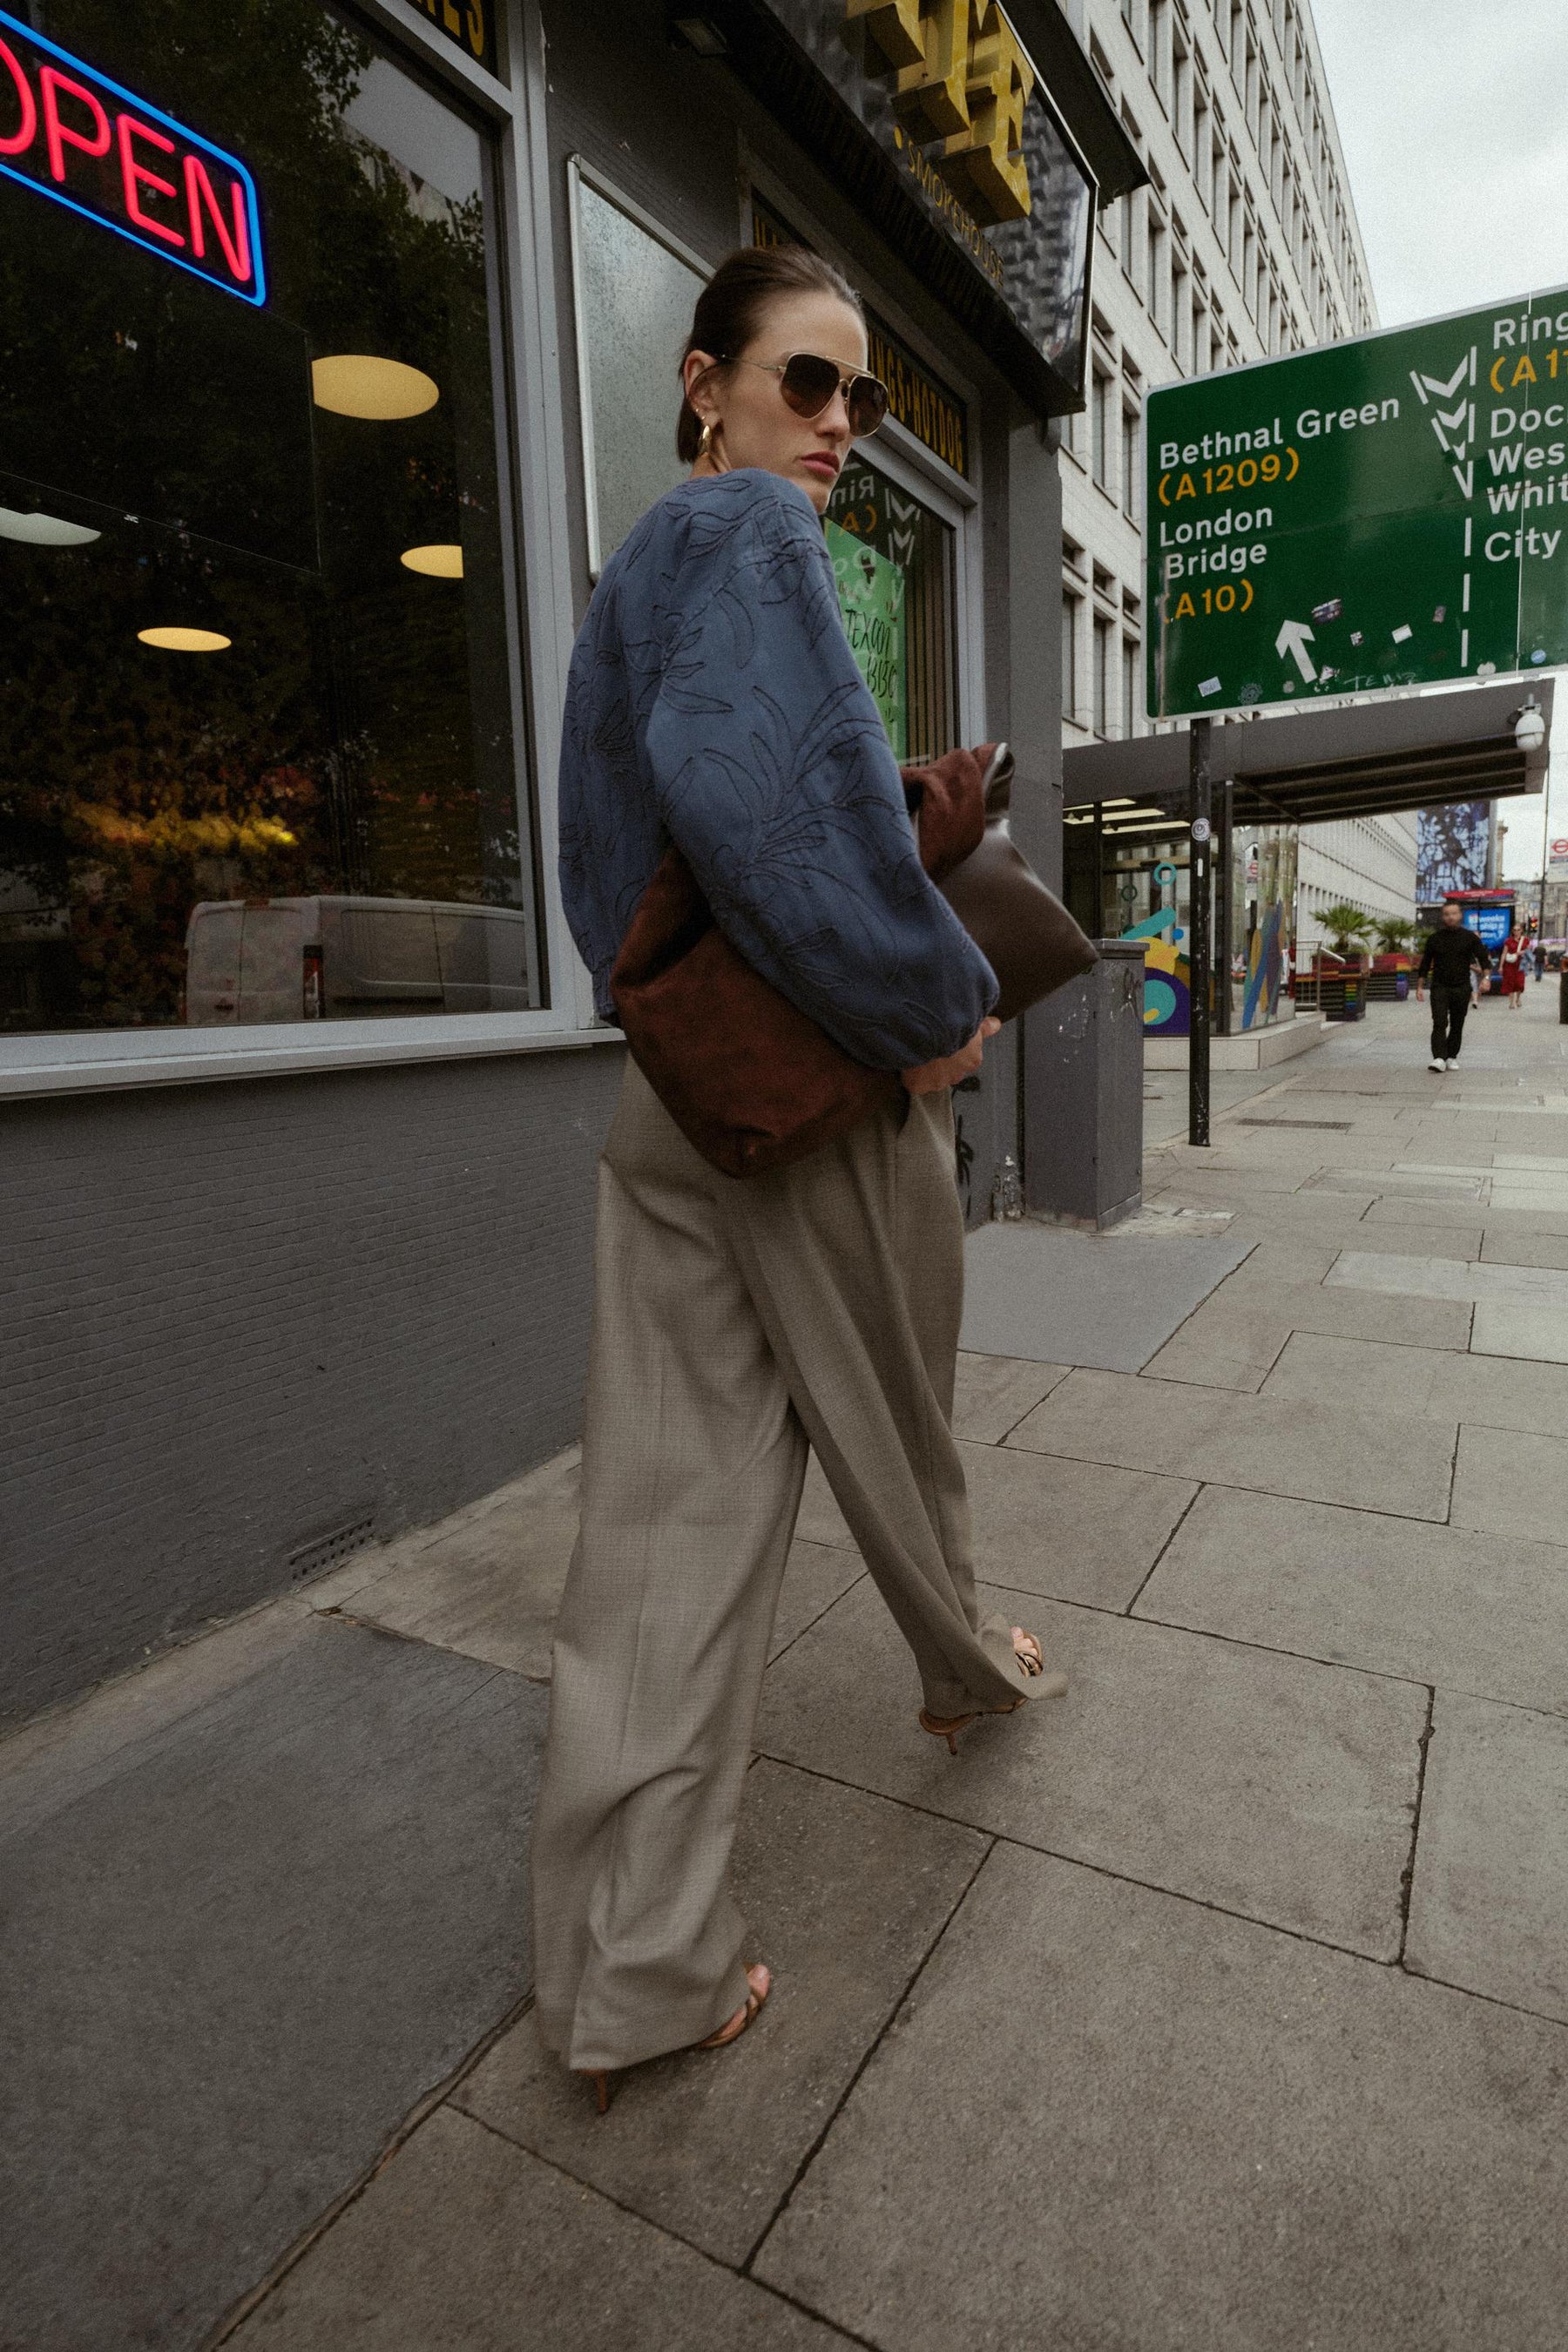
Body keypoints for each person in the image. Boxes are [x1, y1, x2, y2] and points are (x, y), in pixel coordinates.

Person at [531, 245, 1063, 2113]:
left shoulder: (621, 586)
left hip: (672, 1109)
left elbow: (634, 868)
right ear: (706, 387)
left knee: (659, 1548)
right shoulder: (750, 541)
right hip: (813, 1101)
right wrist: (934, 1002)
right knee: (904, 1416)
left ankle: (635, 1978)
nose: (838, 429)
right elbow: (784, 821)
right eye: (805, 386)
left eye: (862, 399)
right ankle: (963, 1666)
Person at [1416, 900, 1490, 1068]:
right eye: (1447, 914)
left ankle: (1451, 1056)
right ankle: (1439, 1058)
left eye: (1454, 914)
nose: (1450, 917)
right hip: (1440, 986)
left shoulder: (1470, 938)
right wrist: (1420, 987)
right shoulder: (1435, 939)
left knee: (1458, 1023)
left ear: (1460, 915)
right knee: (1439, 1021)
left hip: (1462, 986)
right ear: (1443, 917)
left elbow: (1484, 960)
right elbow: (1425, 964)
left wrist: (1486, 979)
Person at [1497, 931, 1527, 1011]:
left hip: (1520, 965)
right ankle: (1511, 1002)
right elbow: (1504, 953)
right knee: (1510, 983)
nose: (1516, 932)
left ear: (1521, 930)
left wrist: (1522, 952)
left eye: (1518, 929)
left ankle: (1518, 998)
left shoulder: (1525, 940)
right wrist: (1501, 966)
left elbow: (1529, 951)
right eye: (1515, 930)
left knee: (1519, 983)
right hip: (1510, 965)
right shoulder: (1508, 941)